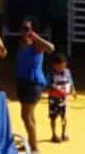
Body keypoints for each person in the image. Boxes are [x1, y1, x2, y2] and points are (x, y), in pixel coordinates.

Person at [11, 19, 55, 147]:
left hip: (33, 83)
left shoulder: (36, 44)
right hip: (23, 82)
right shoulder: (20, 43)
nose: (24, 32)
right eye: (23, 29)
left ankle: (34, 146)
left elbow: (51, 48)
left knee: (25, 116)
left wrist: (35, 36)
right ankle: (31, 142)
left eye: (27, 29)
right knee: (29, 115)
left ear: (32, 30)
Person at [42, 51, 73, 143]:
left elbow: (70, 82)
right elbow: (47, 84)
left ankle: (63, 133)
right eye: (59, 67)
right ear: (54, 66)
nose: (61, 69)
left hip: (63, 99)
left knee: (64, 117)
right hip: (53, 99)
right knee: (53, 117)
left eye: (63, 66)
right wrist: (54, 88)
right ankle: (54, 134)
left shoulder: (67, 72)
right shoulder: (51, 74)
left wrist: (73, 90)